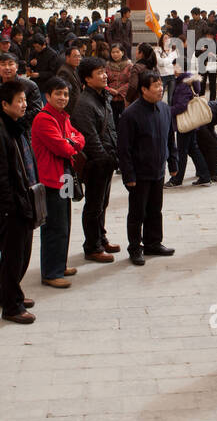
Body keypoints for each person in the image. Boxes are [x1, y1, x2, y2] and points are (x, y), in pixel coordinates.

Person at [0, 80, 39, 322]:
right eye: (20, 101)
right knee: (13, 256)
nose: (24, 105)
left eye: (25, 100)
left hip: (24, 200)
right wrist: (8, 210)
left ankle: (10, 293)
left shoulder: (15, 126)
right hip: (11, 207)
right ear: (4, 104)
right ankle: (12, 307)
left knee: (21, 254)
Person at [31, 76, 85, 289]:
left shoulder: (63, 116)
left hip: (66, 175)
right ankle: (51, 272)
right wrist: (72, 142)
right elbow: (64, 148)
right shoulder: (44, 119)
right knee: (54, 226)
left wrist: (72, 141)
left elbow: (79, 137)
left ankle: (60, 264)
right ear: (47, 96)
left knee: (65, 223)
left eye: (65, 94)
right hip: (51, 179)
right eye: (58, 94)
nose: (63, 98)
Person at [117, 70, 173, 265]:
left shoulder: (165, 109)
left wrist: (172, 162)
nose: (161, 89)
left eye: (161, 84)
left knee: (155, 209)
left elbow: (169, 137)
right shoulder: (130, 114)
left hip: (158, 170)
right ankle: (135, 247)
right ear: (143, 89)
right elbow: (124, 148)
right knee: (137, 213)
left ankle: (153, 243)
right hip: (139, 174)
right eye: (156, 85)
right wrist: (128, 175)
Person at [70, 55, 120, 263]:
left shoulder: (103, 97)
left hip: (107, 160)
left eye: (104, 71)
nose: (105, 75)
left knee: (103, 203)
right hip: (95, 163)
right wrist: (104, 159)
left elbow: (110, 129)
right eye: (99, 73)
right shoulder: (84, 103)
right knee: (93, 205)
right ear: (87, 79)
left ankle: (101, 236)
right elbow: (90, 137)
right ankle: (92, 246)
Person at [168, 72, 213, 187]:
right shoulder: (190, 81)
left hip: (186, 122)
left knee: (182, 151)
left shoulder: (183, 84)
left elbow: (182, 105)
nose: (173, 68)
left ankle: (177, 179)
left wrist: (168, 110)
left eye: (175, 65)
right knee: (193, 149)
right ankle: (205, 176)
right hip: (192, 122)